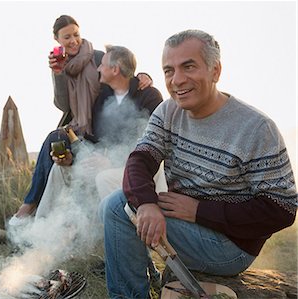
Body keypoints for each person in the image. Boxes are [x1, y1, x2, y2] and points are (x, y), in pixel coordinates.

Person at [101, 29, 297, 299]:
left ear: (215, 71)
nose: (177, 80)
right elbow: (140, 159)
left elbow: (282, 210)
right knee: (122, 203)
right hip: (187, 225)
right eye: (168, 70)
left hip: (231, 246)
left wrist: (200, 211)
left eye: (189, 66)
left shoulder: (256, 128)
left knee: (115, 208)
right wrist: (146, 203)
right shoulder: (168, 111)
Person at [14, 15, 153, 217]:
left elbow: (125, 72)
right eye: (67, 37)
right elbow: (63, 105)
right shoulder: (61, 65)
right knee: (56, 146)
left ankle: (29, 206)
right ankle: (36, 212)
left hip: (97, 129)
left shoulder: (98, 57)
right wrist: (59, 74)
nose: (73, 41)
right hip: (83, 128)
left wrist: (145, 76)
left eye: (76, 35)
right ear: (57, 40)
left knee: (58, 143)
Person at [35, 45, 164, 218]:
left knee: (103, 177)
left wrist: (111, 161)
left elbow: (152, 145)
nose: (98, 68)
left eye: (102, 64)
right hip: (103, 164)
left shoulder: (149, 96)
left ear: (115, 69)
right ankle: (41, 233)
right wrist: (72, 158)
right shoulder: (103, 98)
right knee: (60, 170)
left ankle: (116, 233)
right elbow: (94, 140)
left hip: (135, 170)